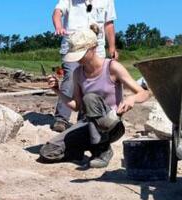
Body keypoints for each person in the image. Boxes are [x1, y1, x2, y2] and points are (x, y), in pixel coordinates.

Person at [39, 27, 149, 168]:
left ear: (93, 48)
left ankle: (103, 150)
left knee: (90, 98)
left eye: (80, 54)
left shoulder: (112, 67)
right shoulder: (78, 73)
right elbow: (77, 106)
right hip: (87, 125)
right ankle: (86, 149)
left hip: (112, 125)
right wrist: (57, 91)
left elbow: (144, 93)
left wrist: (131, 99)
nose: (77, 59)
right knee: (48, 151)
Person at [52, 0, 118, 132]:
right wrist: (58, 26)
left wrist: (112, 47)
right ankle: (62, 118)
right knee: (70, 78)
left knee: (91, 83)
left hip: (95, 49)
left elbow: (109, 24)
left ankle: (85, 119)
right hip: (73, 47)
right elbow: (57, 12)